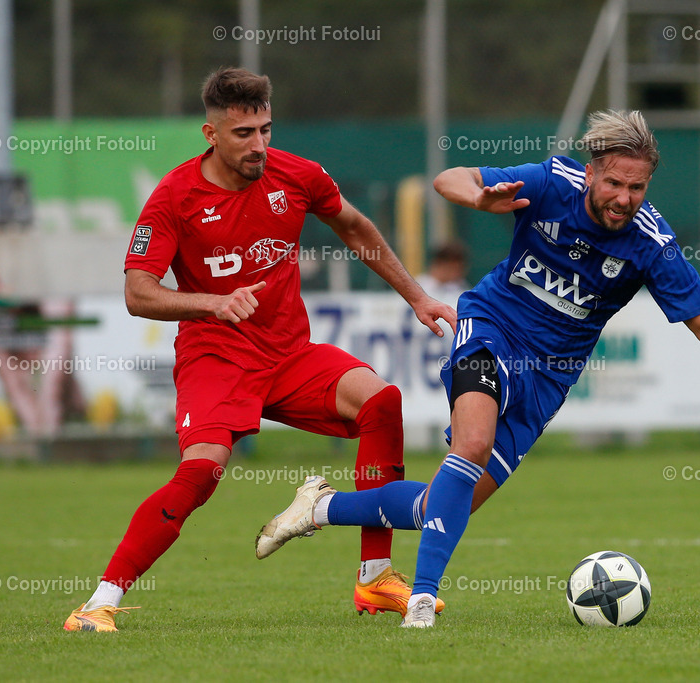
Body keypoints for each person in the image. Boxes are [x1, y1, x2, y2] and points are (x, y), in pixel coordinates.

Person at [256, 109, 700, 628]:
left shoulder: (651, 246)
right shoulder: (550, 183)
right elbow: (448, 178)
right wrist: (479, 198)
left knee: (439, 505)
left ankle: (320, 508)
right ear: (592, 172)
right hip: (491, 328)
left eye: (637, 187)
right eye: (614, 182)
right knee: (469, 446)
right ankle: (421, 597)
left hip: (547, 379)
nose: (624, 198)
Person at [62, 67, 456, 632]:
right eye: (244, 134)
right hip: (215, 357)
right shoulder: (175, 197)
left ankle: (374, 577)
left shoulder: (295, 175)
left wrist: (418, 297)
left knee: (381, 401)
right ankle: (98, 603)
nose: (259, 145)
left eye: (266, 129)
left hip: (289, 355)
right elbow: (137, 292)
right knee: (200, 476)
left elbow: (355, 228)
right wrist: (212, 303)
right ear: (211, 134)